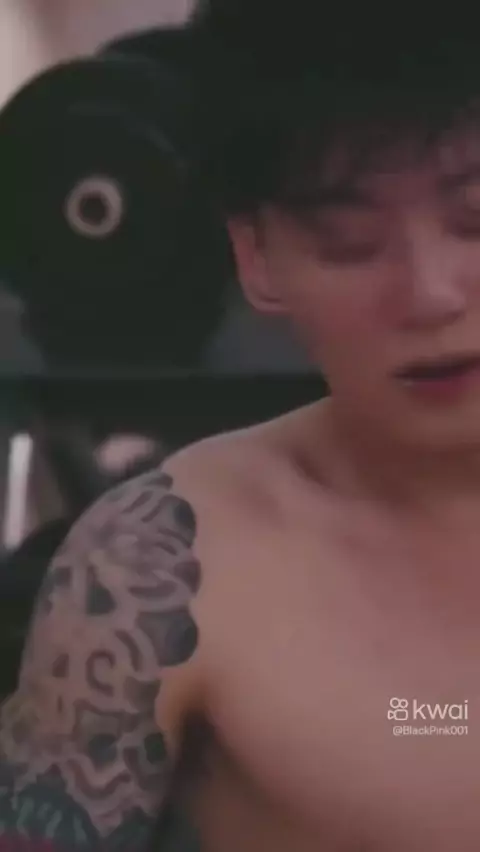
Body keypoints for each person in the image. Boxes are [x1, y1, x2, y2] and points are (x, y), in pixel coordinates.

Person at [2, 5, 480, 850]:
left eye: (477, 220)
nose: (432, 293)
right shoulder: (155, 569)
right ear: (258, 256)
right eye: (348, 242)